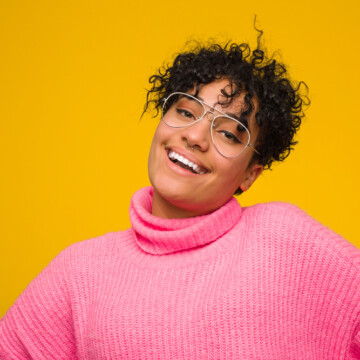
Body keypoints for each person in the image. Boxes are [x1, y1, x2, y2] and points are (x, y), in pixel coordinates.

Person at [1, 35, 360, 360]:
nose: (195, 136)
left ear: (250, 174)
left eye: (230, 135)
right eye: (186, 112)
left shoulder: (284, 241)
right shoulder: (80, 271)